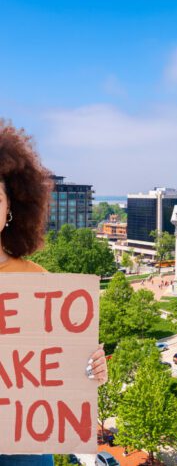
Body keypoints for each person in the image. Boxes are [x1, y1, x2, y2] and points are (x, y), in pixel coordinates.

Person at [0, 121, 108, 465]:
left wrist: (92, 371)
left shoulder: (40, 283)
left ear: (11, 208)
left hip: (23, 451)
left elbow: (63, 374)